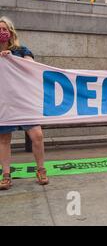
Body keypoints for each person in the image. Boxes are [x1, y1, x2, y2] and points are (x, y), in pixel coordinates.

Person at [0, 17, 49, 190]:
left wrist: (12, 59)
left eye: (5, 29)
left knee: (37, 135)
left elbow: (32, 66)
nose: (2, 32)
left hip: (24, 102)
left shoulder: (21, 50)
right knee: (4, 139)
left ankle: (41, 170)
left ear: (11, 32)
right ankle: (6, 175)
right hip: (4, 104)